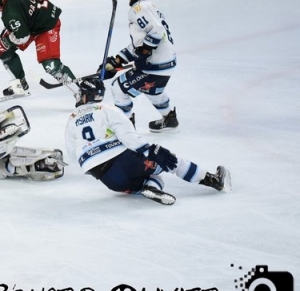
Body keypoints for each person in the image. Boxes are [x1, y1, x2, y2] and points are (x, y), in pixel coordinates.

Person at [65, 78, 231, 205]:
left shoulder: (71, 119)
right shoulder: (107, 110)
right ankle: (213, 180)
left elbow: (73, 154)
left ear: (85, 96)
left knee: (151, 179)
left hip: (107, 179)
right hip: (122, 162)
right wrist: (150, 150)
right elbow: (128, 135)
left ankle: (150, 188)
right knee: (170, 161)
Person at [100, 0, 178, 132]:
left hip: (155, 65)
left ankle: (125, 129)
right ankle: (170, 119)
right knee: (152, 90)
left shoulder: (138, 8)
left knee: (118, 88)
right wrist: (118, 60)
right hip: (166, 63)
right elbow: (140, 41)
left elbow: (157, 33)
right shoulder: (149, 6)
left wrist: (143, 54)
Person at [0, 0, 76, 96]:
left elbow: (23, 36)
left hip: (46, 24)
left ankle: (81, 92)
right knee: (4, 51)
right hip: (31, 23)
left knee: (51, 66)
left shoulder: (10, 12)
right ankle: (20, 84)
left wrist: (3, 43)